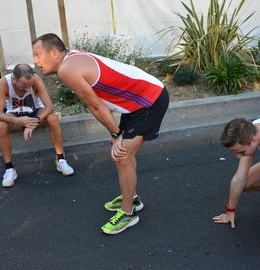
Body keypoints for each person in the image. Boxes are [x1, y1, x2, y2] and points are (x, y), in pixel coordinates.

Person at [32, 33, 169, 234]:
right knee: (122, 155)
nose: (35, 62)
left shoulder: (67, 69)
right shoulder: (71, 59)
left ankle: (128, 213)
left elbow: (95, 105)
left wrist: (116, 135)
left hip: (150, 100)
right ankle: (131, 197)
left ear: (54, 53)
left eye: (37, 55)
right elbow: (96, 104)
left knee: (122, 156)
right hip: (136, 104)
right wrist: (116, 134)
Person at [0, 63, 74, 188]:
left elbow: (49, 106)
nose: (28, 89)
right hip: (15, 115)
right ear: (14, 79)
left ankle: (61, 160)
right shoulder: (3, 83)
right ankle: (10, 168)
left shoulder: (36, 80)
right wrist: (20, 121)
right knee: (0, 126)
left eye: (30, 85)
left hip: (36, 113)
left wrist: (35, 121)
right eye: (24, 85)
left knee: (53, 118)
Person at [213, 117, 260, 255]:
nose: (239, 157)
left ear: (254, 140)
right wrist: (230, 210)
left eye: (241, 152)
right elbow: (240, 179)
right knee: (247, 182)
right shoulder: (251, 131)